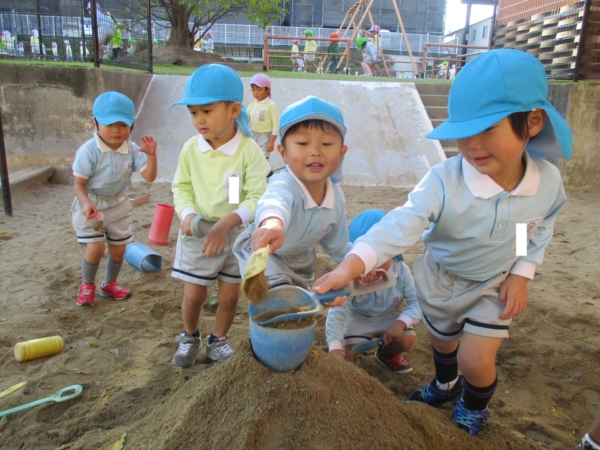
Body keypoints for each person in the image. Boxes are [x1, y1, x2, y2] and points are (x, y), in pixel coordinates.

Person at [313, 49, 572, 436]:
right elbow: (402, 222)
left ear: (532, 121)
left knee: (476, 359)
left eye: (487, 129)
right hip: (438, 278)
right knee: (443, 344)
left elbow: (534, 227)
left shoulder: (547, 184)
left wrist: (521, 272)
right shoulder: (444, 179)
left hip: (491, 286)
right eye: (463, 132)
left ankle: (471, 406)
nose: (473, 145)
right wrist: (352, 265)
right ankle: (445, 384)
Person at [170, 64, 271, 368]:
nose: (199, 120)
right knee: (194, 295)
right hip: (198, 232)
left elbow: (257, 196)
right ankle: (189, 336)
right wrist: (187, 215)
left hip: (236, 232)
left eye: (206, 111)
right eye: (193, 112)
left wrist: (228, 223)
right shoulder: (190, 149)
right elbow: (181, 186)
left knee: (228, 297)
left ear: (233, 109)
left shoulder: (249, 151)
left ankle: (218, 339)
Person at [233, 95, 349, 297]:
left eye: (327, 144)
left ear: (341, 153)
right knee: (277, 303)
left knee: (297, 311)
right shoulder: (285, 183)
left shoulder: (336, 200)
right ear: (283, 152)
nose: (314, 151)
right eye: (303, 143)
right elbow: (275, 201)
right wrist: (272, 223)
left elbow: (338, 247)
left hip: (303, 261)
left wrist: (361, 266)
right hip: (266, 255)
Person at [72, 92, 158, 307]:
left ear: (132, 124)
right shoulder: (89, 151)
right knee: (96, 249)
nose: (116, 130)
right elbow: (78, 184)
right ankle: (87, 285)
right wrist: (85, 203)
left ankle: (109, 284)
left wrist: (151, 156)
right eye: (109, 124)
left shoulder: (130, 150)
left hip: (119, 204)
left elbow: (149, 177)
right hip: (91, 203)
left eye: (123, 124)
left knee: (119, 250)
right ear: (95, 122)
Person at [326, 209, 421, 373]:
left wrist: (401, 323)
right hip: (359, 318)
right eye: (364, 259)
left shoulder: (401, 271)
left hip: (389, 317)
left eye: (379, 257)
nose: (372, 266)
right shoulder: (349, 277)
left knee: (406, 340)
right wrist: (335, 347)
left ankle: (386, 354)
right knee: (349, 346)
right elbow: (337, 312)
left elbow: (417, 302)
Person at [247, 74, 279, 161]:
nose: (255, 93)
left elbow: (276, 125)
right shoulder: (252, 105)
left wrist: (271, 142)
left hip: (265, 137)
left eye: (259, 89)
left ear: (268, 89)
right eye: (253, 90)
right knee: (252, 158)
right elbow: (245, 120)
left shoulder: (271, 105)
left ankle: (265, 174)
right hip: (252, 135)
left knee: (263, 159)